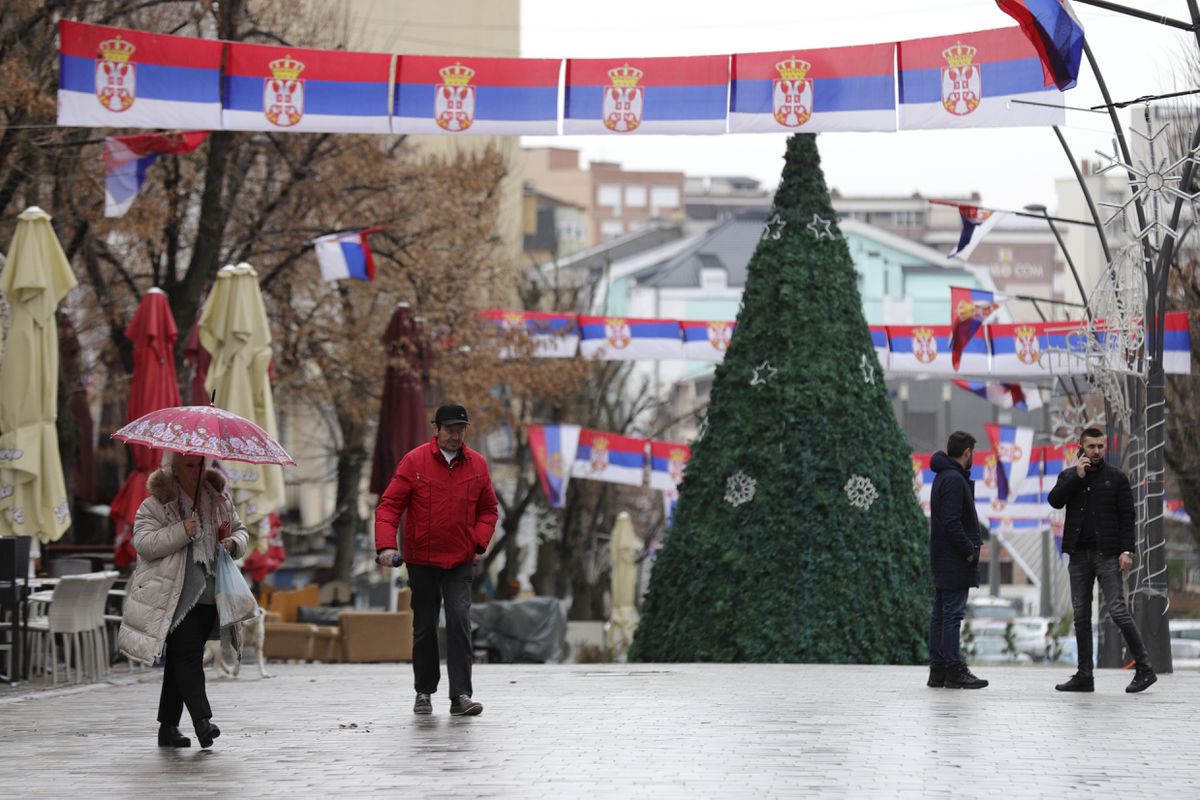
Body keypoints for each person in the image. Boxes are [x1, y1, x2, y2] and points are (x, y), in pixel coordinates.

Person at [117, 450, 249, 748]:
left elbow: (242, 532)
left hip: (211, 594)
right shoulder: (156, 504)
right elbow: (145, 544)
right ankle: (203, 722)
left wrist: (232, 542)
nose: (197, 470)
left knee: (180, 659)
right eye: (190, 464)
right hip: (173, 597)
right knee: (188, 656)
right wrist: (181, 530)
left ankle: (168, 728)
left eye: (201, 463)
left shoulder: (219, 500)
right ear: (174, 469)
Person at [375, 404, 499, 716]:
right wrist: (386, 547)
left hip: (459, 559)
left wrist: (477, 541)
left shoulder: (478, 465)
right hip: (422, 560)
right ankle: (424, 692)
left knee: (459, 620)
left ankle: (461, 696)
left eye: (460, 429)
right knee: (425, 627)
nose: (455, 435)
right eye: (450, 429)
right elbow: (389, 506)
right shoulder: (414, 461)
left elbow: (489, 509)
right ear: (437, 429)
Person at [1048, 427, 1156, 693]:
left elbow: (1127, 517)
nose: (1096, 451)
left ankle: (1144, 668)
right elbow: (1055, 501)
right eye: (1091, 447)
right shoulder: (1070, 475)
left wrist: (1126, 550)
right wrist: (1078, 476)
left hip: (1108, 554)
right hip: (1078, 555)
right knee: (1081, 615)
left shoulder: (1116, 477)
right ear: (1081, 447)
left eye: (1100, 447)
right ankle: (1085, 675)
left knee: (1118, 610)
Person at [927, 431, 988, 690]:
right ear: (967, 452)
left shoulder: (944, 476)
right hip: (953, 559)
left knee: (941, 614)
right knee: (951, 615)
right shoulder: (953, 479)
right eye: (973, 451)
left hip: (944, 557)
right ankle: (953, 669)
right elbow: (952, 521)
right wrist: (969, 550)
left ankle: (938, 670)